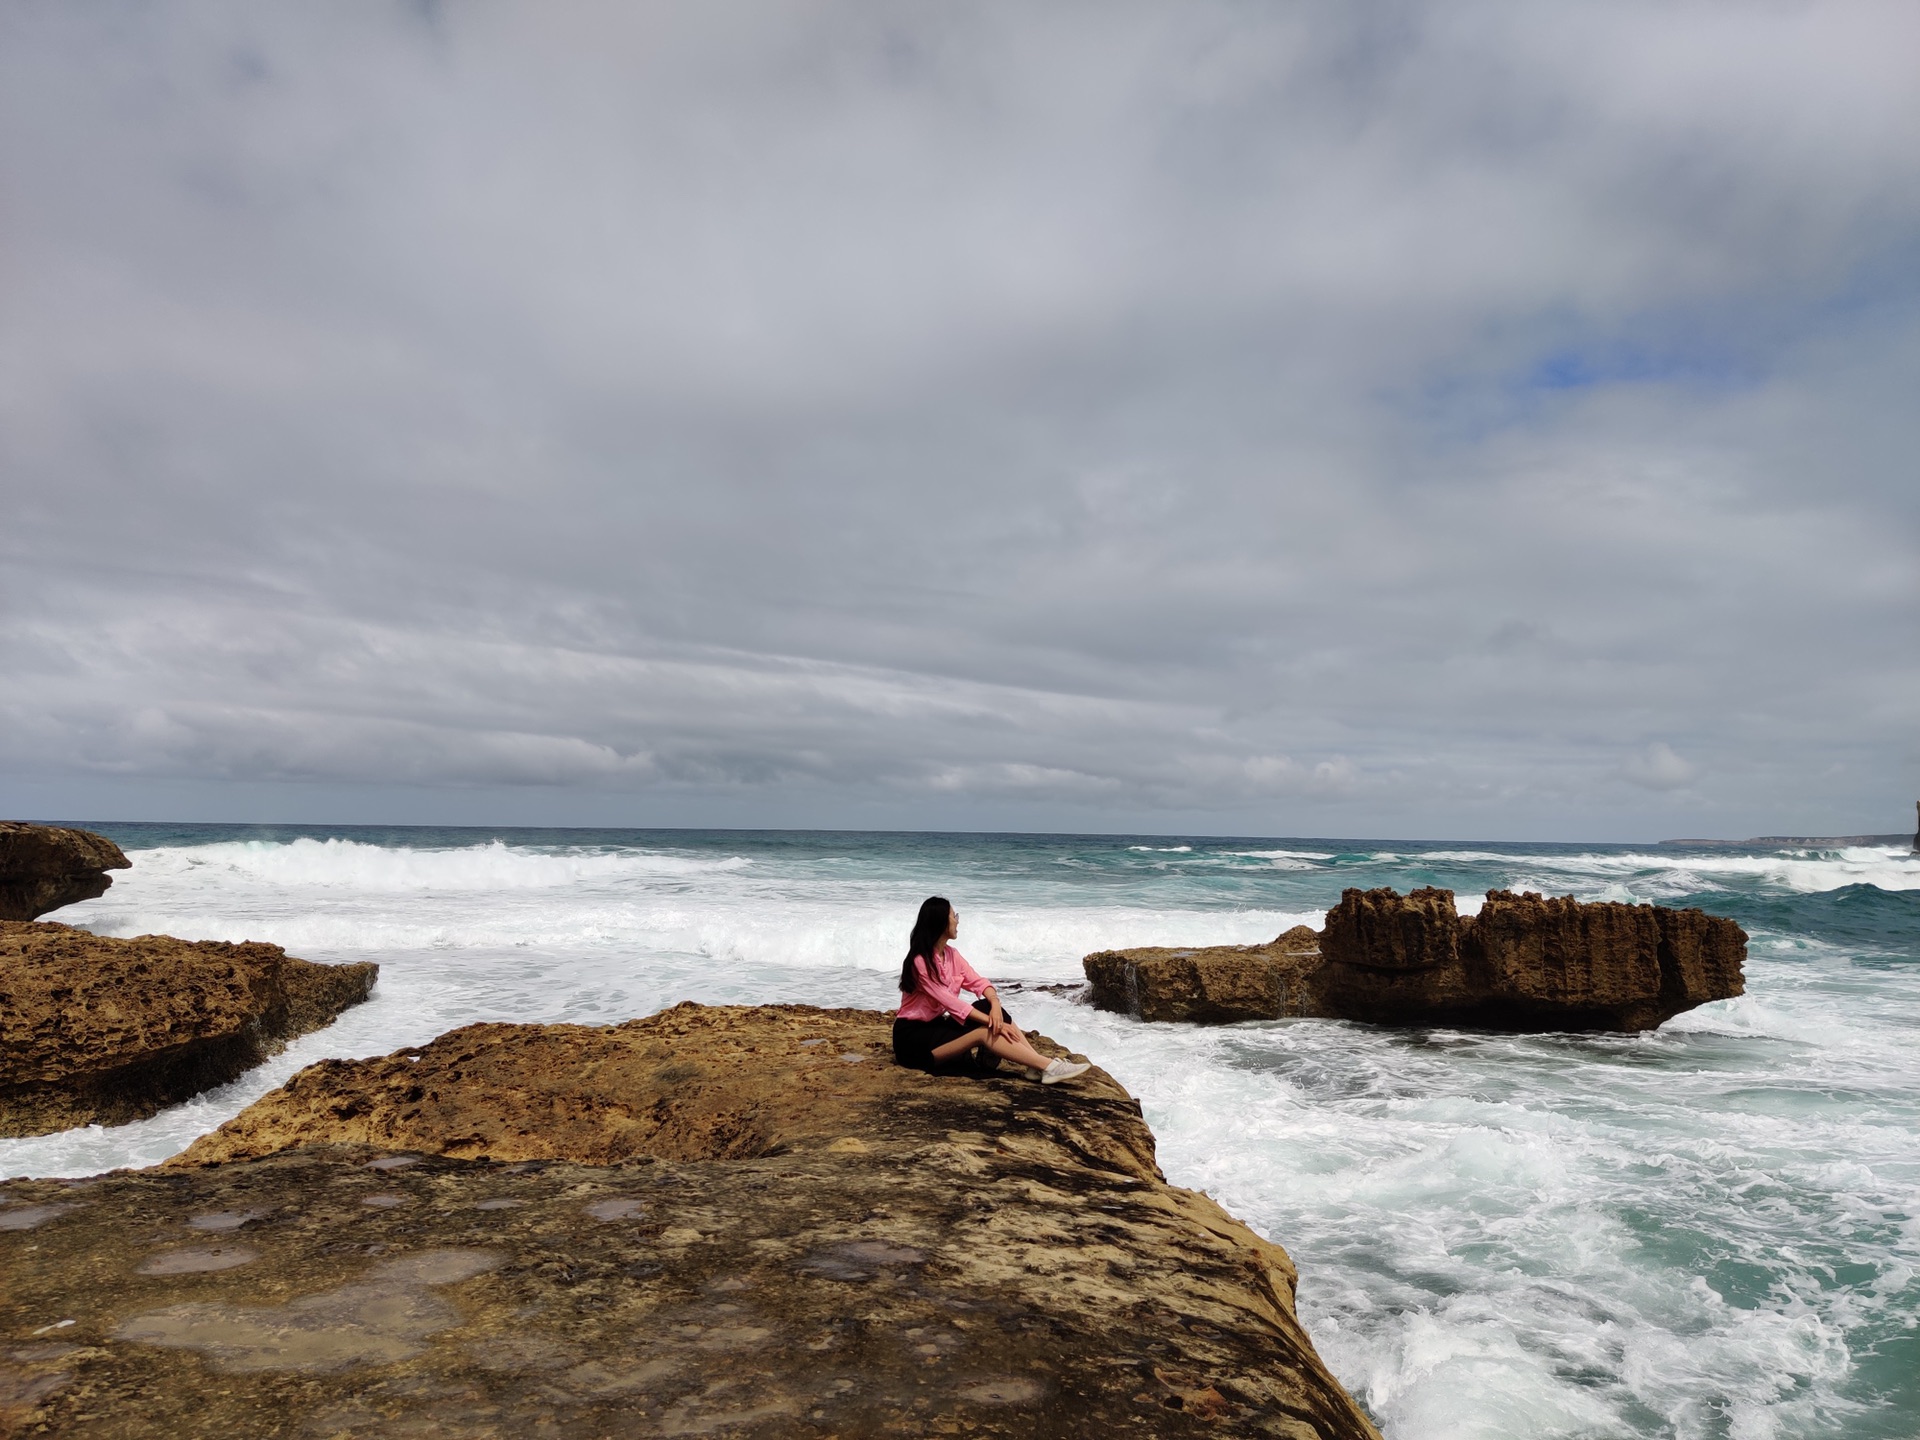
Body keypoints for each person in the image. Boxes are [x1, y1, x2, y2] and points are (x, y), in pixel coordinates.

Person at [891, 895, 1092, 1084]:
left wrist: (995, 1005)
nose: (957, 921)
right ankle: (1047, 1066)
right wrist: (992, 1022)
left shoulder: (952, 955)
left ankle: (1037, 1066)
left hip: (936, 1027)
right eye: (954, 916)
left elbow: (979, 982)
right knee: (984, 1031)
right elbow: (950, 1003)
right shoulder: (919, 962)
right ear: (941, 922)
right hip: (912, 1040)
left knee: (991, 1008)